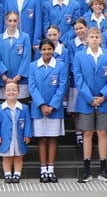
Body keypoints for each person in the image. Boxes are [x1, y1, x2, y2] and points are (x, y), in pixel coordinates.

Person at [72, 27, 107, 182]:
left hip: (104, 100)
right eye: (91, 36)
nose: (94, 39)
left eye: (97, 36)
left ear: (101, 39)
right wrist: (89, 97)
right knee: (87, 133)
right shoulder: (79, 56)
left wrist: (102, 96)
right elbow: (78, 79)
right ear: (87, 39)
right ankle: (86, 169)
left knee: (103, 133)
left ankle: (104, 168)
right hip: (86, 101)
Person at [28, 39, 67, 183]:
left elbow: (62, 87)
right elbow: (32, 87)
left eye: (49, 49)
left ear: (53, 50)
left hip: (54, 108)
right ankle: (43, 169)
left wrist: (52, 105)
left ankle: (51, 169)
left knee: (52, 139)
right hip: (39, 109)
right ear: (40, 50)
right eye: (44, 49)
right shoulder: (33, 66)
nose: (46, 52)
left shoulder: (60, 66)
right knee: (42, 139)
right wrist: (42, 105)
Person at [0, 81, 31, 184]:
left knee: (19, 156)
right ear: (4, 92)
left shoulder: (24, 108)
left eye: (14, 90)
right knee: (6, 157)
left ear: (18, 92)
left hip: (18, 136)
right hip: (5, 137)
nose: (11, 92)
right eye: (8, 90)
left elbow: (27, 123)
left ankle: (17, 174)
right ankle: (7, 174)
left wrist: (27, 134)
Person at [0, 12, 31, 101]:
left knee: (21, 106)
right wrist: (4, 76)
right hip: (4, 80)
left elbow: (26, 58)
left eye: (15, 20)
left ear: (18, 21)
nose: (12, 23)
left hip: (21, 80)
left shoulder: (25, 37)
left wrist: (18, 76)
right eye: (10, 20)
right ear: (5, 21)